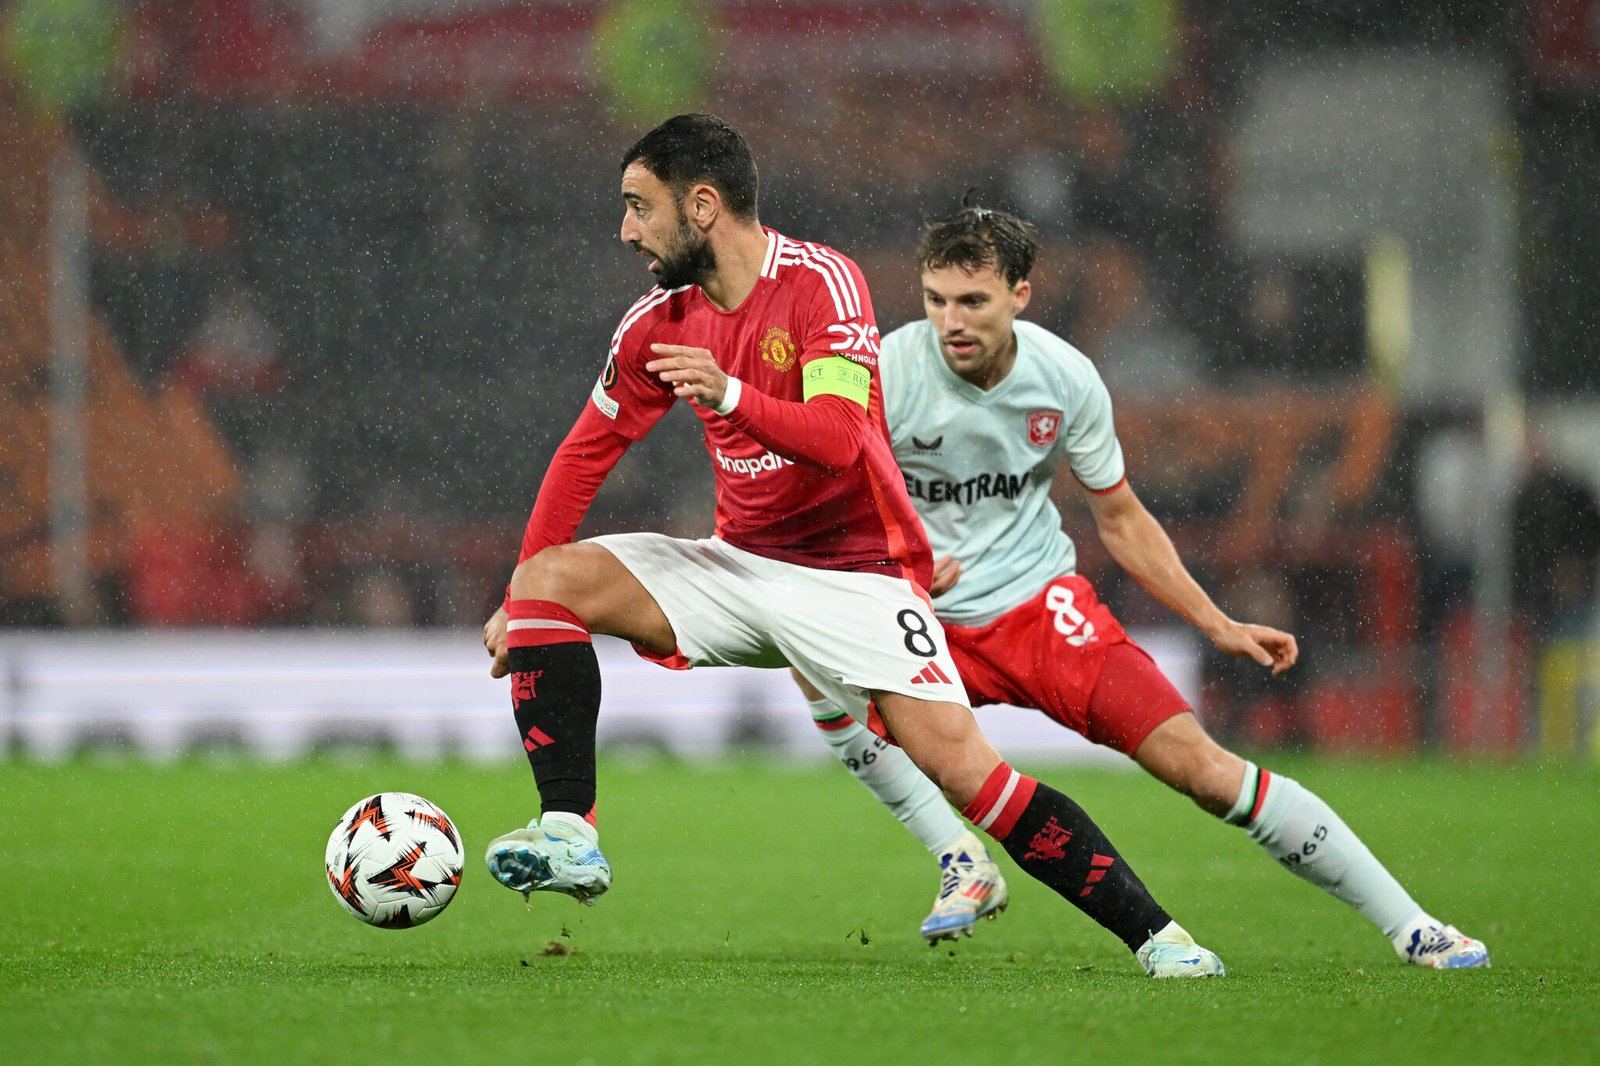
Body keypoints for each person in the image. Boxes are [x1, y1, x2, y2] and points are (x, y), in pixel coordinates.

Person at [480, 114, 1224, 977]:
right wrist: (518, 601)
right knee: (549, 576)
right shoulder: (656, 324)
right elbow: (584, 454)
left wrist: (730, 394)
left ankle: (1160, 938)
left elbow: (837, 438)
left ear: (705, 205)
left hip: (857, 577)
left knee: (966, 774)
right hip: (740, 564)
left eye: (640, 207)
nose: (627, 230)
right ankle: (571, 833)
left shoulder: (823, 285)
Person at [793, 202, 1490, 970]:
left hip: (1037, 608)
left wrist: (1214, 620)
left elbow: (1120, 518)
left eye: (972, 301)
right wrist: (891, 564)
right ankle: (965, 858)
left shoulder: (1065, 380)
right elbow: (822, 495)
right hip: (917, 621)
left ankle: (1413, 926)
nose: (950, 321)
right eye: (935, 300)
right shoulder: (884, 374)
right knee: (813, 665)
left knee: (1203, 770)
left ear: (1021, 293)